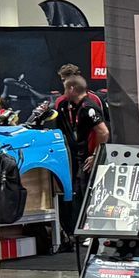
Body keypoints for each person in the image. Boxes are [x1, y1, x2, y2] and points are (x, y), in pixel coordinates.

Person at [56, 72, 111, 203]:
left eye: (65, 89)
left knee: (88, 195)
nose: (64, 93)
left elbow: (104, 132)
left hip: (89, 158)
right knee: (80, 193)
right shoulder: (74, 106)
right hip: (80, 156)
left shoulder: (88, 107)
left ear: (72, 89)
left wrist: (95, 155)